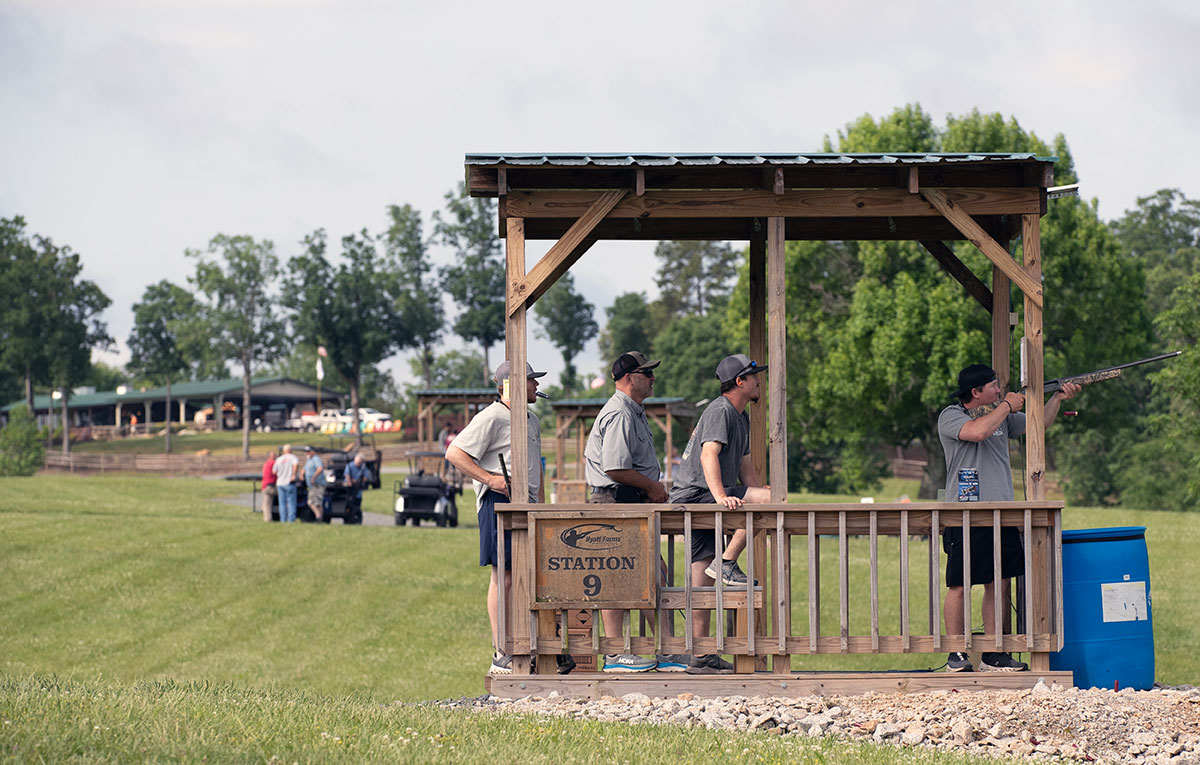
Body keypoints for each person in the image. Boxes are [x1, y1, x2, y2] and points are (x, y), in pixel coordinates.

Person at [938, 364, 1080, 673]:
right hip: (965, 515)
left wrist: (1056, 398)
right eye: (992, 386)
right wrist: (1007, 406)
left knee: (998, 584)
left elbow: (1037, 423)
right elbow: (978, 432)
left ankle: (994, 653)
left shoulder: (1000, 416)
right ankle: (955, 654)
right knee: (959, 585)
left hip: (1002, 515)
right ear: (975, 393)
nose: (999, 390)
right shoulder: (951, 416)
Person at [584, 351, 689, 673]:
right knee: (614, 576)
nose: (653, 378)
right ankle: (616, 653)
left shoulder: (632, 410)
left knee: (653, 572)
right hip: (616, 501)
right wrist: (653, 488)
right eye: (647, 373)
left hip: (628, 500)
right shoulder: (620, 413)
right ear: (629, 378)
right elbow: (615, 467)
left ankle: (667, 649)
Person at [445, 360, 550, 676]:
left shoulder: (530, 420)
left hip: (526, 504)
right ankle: (501, 651)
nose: (536, 386)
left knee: (523, 576)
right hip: (498, 502)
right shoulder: (491, 416)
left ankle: (522, 644)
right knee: (503, 576)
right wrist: (490, 480)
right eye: (532, 381)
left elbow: (536, 467)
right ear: (513, 385)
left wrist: (541, 504)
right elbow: (455, 453)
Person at [669, 353, 772, 674]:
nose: (760, 382)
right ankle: (726, 563)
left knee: (702, 571)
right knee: (768, 500)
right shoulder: (721, 410)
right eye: (754, 377)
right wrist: (722, 497)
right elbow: (708, 454)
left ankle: (700, 654)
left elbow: (745, 467)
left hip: (705, 494)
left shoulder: (740, 416)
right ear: (739, 382)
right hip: (696, 494)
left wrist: (757, 496)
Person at [273, 444, 301, 523]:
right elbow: (295, 465)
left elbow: (274, 471)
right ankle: (291, 520)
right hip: (289, 482)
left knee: (282, 503)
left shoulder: (279, 459)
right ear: (290, 450)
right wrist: (293, 475)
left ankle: (283, 520)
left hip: (280, 483)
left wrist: (281, 474)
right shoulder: (293, 457)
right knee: (291, 502)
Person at [303, 446, 327, 522]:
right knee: (313, 502)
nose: (307, 453)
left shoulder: (316, 459)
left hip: (318, 484)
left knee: (315, 502)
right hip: (311, 485)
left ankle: (319, 517)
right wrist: (301, 474)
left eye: (309, 451)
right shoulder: (309, 460)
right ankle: (318, 517)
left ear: (313, 451)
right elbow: (305, 469)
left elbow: (320, 468)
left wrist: (314, 477)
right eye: (306, 452)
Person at [261, 449, 277, 522]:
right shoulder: (273, 463)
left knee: (266, 503)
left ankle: (267, 518)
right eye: (274, 455)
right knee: (267, 504)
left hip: (265, 485)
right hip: (270, 485)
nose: (276, 456)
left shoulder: (266, 464)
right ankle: (268, 519)